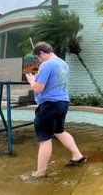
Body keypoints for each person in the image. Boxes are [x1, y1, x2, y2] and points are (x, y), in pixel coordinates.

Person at [25, 42, 86, 178]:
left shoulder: (46, 64)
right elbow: (52, 82)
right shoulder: (63, 64)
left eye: (38, 58)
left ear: (41, 53)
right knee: (59, 131)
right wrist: (38, 80)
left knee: (45, 139)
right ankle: (77, 155)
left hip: (49, 104)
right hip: (62, 102)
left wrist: (31, 81)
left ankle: (40, 172)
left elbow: (38, 88)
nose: (38, 61)